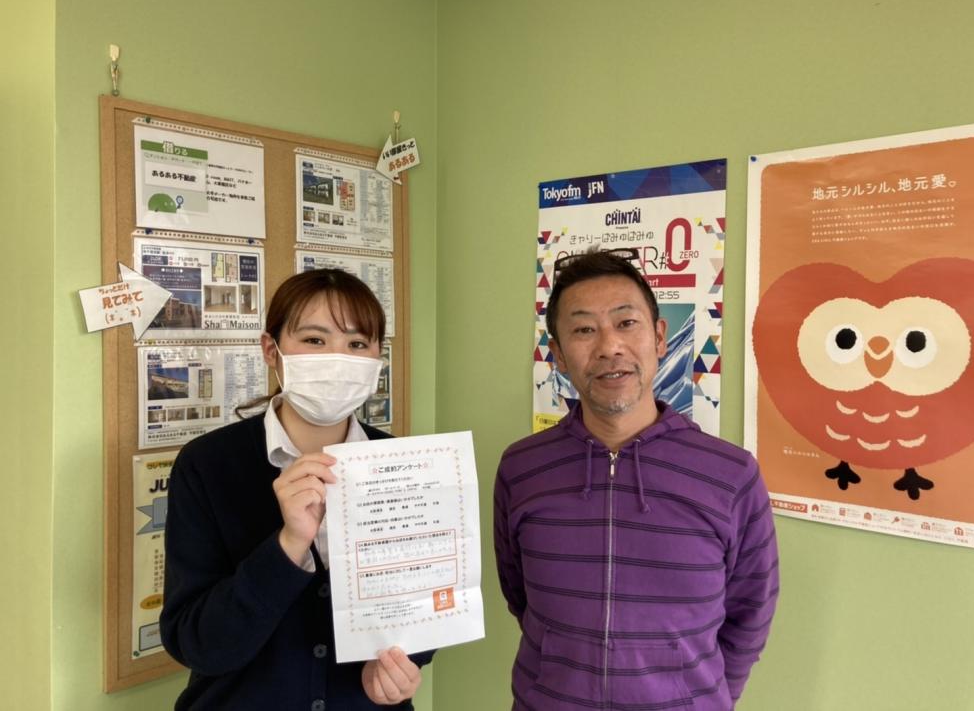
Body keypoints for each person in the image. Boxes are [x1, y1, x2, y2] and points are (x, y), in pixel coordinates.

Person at [494, 249, 779, 710]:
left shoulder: (731, 475)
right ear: (559, 355)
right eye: (584, 330)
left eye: (626, 323)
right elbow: (521, 596)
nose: (609, 347)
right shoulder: (522, 469)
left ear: (660, 337)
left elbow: (750, 615)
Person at [161, 269, 431, 710]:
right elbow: (197, 643)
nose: (337, 358)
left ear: (377, 357)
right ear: (272, 350)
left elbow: (423, 608)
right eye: (314, 340)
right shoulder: (207, 465)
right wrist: (288, 545)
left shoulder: (402, 464)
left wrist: (401, 666)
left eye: (357, 344)